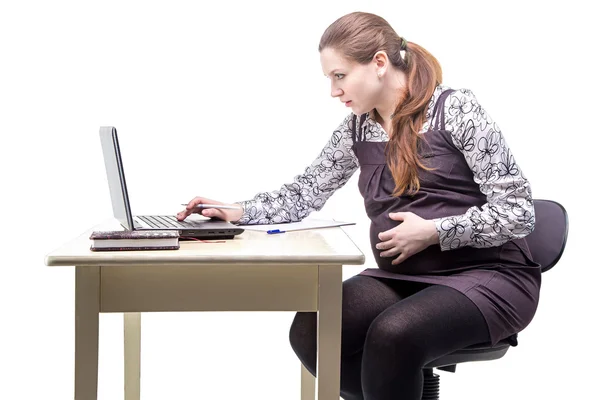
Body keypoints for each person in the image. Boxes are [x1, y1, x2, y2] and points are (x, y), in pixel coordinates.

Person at [177, 11, 540, 400]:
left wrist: (434, 232)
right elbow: (304, 192)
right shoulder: (357, 126)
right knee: (313, 331)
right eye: (329, 79)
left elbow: (520, 210)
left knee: (393, 335)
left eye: (340, 76)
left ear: (379, 63)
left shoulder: (455, 110)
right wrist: (238, 211)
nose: (334, 91)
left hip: (487, 275)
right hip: (405, 278)